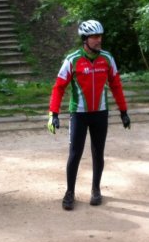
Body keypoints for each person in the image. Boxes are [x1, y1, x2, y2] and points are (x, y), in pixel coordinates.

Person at [48, 19, 131, 210]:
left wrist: (123, 111)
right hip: (79, 114)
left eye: (100, 36)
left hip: (100, 113)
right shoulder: (72, 60)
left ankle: (96, 189)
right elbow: (59, 87)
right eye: (94, 36)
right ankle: (70, 192)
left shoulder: (107, 59)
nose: (98, 40)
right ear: (85, 39)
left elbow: (116, 86)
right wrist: (53, 113)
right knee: (75, 153)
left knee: (98, 153)